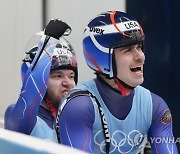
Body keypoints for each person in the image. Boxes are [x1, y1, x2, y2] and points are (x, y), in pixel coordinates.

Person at [56, 10, 178, 153]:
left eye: (139, 47)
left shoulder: (155, 106)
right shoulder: (78, 106)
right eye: (128, 50)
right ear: (102, 57)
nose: (141, 57)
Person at [4, 19, 78, 143]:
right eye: (57, 76)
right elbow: (30, 95)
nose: (68, 83)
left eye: (71, 76)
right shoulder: (16, 114)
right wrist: (50, 40)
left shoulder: (74, 120)